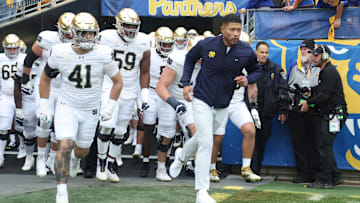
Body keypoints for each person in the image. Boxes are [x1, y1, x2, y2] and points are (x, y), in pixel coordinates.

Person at [169, 14, 262, 203]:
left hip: (223, 104)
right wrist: (186, 83)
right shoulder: (207, 44)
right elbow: (189, 59)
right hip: (201, 99)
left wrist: (248, 79)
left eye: (239, 30)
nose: (236, 34)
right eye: (232, 30)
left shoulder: (245, 51)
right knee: (206, 142)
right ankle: (201, 192)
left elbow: (257, 70)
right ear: (222, 29)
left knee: (201, 138)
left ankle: (181, 156)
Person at [39, 12, 122, 203]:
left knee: (82, 150)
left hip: (90, 109)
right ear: (74, 32)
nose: (88, 37)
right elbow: (45, 78)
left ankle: (76, 160)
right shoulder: (60, 51)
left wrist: (109, 106)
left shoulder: (103, 53)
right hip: (66, 105)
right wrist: (44, 105)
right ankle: (61, 191)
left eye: (92, 33)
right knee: (65, 145)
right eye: (84, 33)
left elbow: (118, 82)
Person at [96, 8, 150, 183]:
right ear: (118, 25)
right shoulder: (106, 37)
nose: (130, 30)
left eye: (133, 26)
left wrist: (144, 93)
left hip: (129, 89)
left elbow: (145, 70)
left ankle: (111, 164)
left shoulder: (143, 41)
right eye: (126, 25)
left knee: (120, 131)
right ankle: (101, 163)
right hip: (108, 85)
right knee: (106, 125)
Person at [20, 12, 75, 176]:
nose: (68, 36)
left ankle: (52, 158)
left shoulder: (81, 40)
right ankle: (41, 158)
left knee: (60, 127)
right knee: (45, 120)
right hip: (46, 85)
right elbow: (29, 58)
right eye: (65, 32)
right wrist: (25, 79)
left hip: (66, 87)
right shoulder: (48, 38)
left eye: (71, 32)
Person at [210, 35, 261, 183]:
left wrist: (253, 107)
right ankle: (211, 168)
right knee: (217, 137)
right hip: (219, 102)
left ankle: (246, 168)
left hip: (237, 102)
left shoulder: (249, 61)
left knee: (250, 130)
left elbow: (252, 84)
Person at [301, 45, 347, 189]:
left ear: (325, 56)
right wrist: (310, 90)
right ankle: (335, 176)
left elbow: (324, 95)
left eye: (316, 55)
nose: (313, 58)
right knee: (325, 146)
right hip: (331, 114)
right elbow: (323, 90)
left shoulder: (329, 72)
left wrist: (308, 102)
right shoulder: (326, 72)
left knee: (324, 146)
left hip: (334, 115)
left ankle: (325, 180)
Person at [155, 36, 200, 182]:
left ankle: (194, 165)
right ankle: (160, 168)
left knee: (197, 131)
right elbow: (160, 87)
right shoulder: (178, 59)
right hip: (169, 98)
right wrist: (174, 103)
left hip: (189, 98)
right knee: (166, 135)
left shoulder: (209, 63)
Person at [249, 41, 288, 176]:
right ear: (256, 52)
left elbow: (283, 90)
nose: (264, 55)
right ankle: (249, 170)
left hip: (267, 112)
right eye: (261, 52)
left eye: (266, 52)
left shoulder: (275, 68)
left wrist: (283, 110)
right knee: (250, 140)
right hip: (250, 112)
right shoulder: (249, 67)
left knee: (261, 142)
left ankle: (255, 170)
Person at [140, 26, 174, 179]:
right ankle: (145, 160)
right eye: (163, 44)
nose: (166, 47)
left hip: (167, 93)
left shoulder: (176, 55)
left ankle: (162, 162)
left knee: (168, 130)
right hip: (152, 91)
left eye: (169, 44)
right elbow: (142, 73)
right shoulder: (150, 54)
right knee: (148, 126)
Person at [286, 39, 320, 183]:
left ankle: (315, 172)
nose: (304, 52)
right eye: (302, 50)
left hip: (314, 109)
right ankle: (303, 172)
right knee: (299, 143)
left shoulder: (319, 67)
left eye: (307, 50)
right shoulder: (294, 66)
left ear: (313, 52)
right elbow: (288, 87)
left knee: (315, 142)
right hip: (297, 110)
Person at [0, 34, 25, 168]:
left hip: (21, 97)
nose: (11, 51)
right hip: (5, 96)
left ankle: (22, 147)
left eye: (14, 48)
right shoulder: (0, 59)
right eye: (9, 49)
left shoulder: (24, 59)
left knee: (22, 126)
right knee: (3, 126)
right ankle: (0, 155)